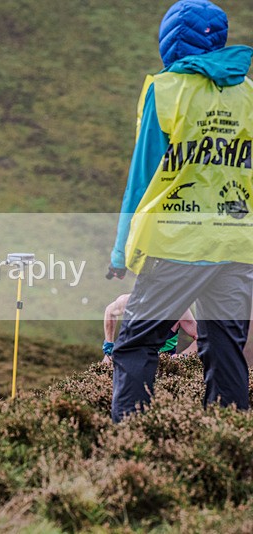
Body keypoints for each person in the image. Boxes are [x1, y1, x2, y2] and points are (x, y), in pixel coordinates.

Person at [107, 0, 253, 423]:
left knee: (136, 344)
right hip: (236, 243)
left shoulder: (166, 89)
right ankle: (227, 444)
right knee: (226, 352)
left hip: (176, 241)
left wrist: (120, 252)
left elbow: (142, 176)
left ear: (169, 41)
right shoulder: (248, 93)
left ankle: (129, 441)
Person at [102, 293, 198, 364]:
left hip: (164, 368)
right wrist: (108, 351)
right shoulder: (128, 302)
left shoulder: (179, 309)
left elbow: (202, 336)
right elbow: (109, 311)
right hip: (129, 363)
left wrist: (183, 356)